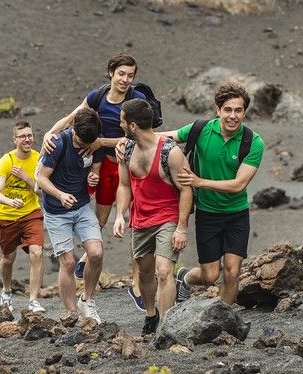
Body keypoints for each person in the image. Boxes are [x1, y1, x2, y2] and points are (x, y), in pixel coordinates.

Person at [42, 52, 148, 310]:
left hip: (131, 164)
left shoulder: (137, 99)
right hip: (102, 165)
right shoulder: (97, 97)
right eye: (121, 74)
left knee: (136, 221)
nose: (125, 79)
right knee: (99, 219)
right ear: (111, 72)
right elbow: (72, 118)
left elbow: (142, 136)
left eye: (130, 75)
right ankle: (84, 263)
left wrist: (103, 141)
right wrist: (49, 133)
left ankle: (137, 285)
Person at [160, 82, 264, 305]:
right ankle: (185, 278)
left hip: (237, 213)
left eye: (238, 110)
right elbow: (163, 138)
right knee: (210, 275)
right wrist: (130, 139)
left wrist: (199, 182)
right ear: (218, 110)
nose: (233, 116)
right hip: (208, 214)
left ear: (245, 112)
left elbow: (238, 185)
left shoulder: (252, 142)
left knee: (232, 271)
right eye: (228, 110)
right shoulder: (200, 129)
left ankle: (223, 317)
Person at [112, 99, 193, 335]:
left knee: (164, 271)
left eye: (122, 120)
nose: (120, 124)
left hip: (167, 216)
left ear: (133, 125)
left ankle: (167, 329)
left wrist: (181, 228)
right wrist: (119, 216)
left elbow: (187, 189)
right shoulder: (126, 150)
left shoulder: (171, 152)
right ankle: (151, 314)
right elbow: (124, 186)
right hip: (140, 220)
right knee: (145, 273)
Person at [36, 107, 106, 323]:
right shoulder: (58, 143)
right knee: (67, 262)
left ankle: (87, 300)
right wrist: (60, 194)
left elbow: (95, 169)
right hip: (57, 211)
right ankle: (71, 312)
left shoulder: (95, 143)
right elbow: (41, 178)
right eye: (81, 142)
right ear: (73, 130)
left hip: (82, 205)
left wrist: (93, 177)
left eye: (88, 144)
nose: (84, 147)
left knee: (96, 253)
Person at [0, 120, 45, 313]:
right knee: (8, 258)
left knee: (37, 253)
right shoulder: (7, 160)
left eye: (29, 135)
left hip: (31, 213)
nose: (27, 139)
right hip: (7, 216)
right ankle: (6, 291)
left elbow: (41, 192)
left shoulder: (39, 159)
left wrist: (26, 177)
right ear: (15, 140)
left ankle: (33, 300)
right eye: (22, 136)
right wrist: (9, 201)